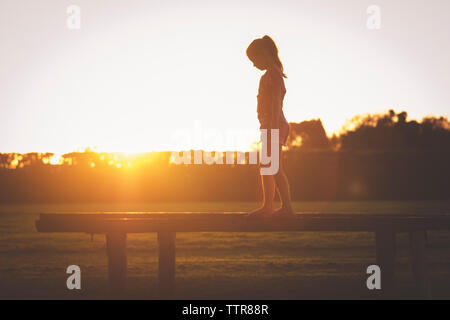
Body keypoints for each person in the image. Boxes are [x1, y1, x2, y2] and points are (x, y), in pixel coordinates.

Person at [246, 35, 295, 217]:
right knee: (267, 165)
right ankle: (267, 206)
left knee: (274, 166)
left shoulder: (273, 74)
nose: (253, 65)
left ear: (264, 54)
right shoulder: (268, 75)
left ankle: (287, 208)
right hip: (269, 126)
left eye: (254, 60)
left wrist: (272, 128)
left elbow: (275, 103)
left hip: (274, 125)